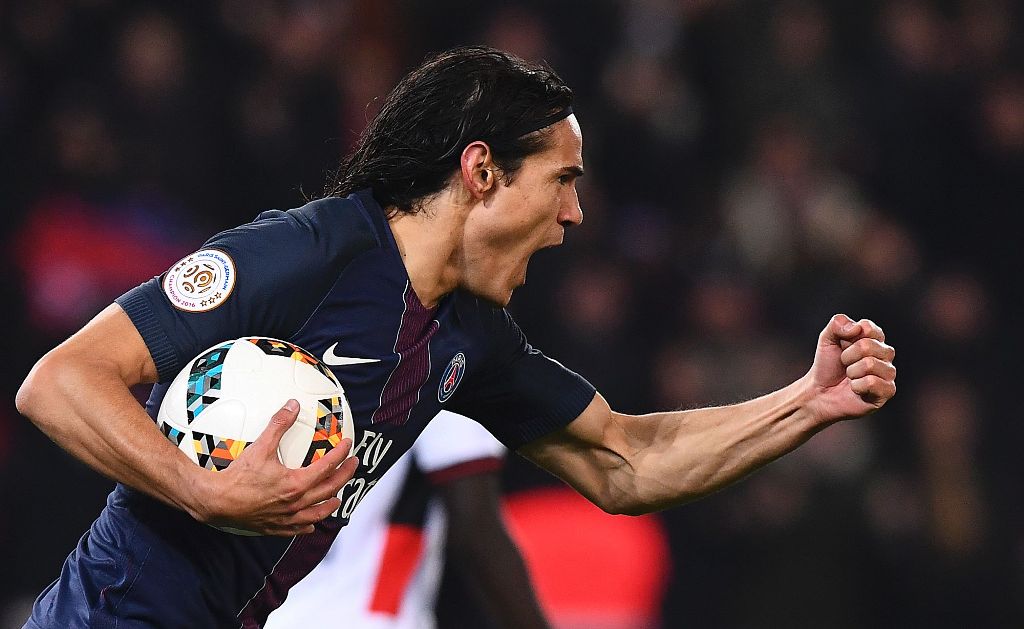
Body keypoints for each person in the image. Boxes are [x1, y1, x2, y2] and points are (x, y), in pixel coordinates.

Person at [16, 46, 896, 629]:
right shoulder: (308, 251)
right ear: (481, 170)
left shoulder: (467, 337)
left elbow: (627, 462)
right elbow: (59, 381)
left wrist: (806, 402)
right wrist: (203, 490)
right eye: (560, 179)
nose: (573, 213)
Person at [265, 410, 550, 629]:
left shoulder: (261, 354)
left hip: (255, 615)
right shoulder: (442, 355)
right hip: (367, 619)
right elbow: (476, 530)